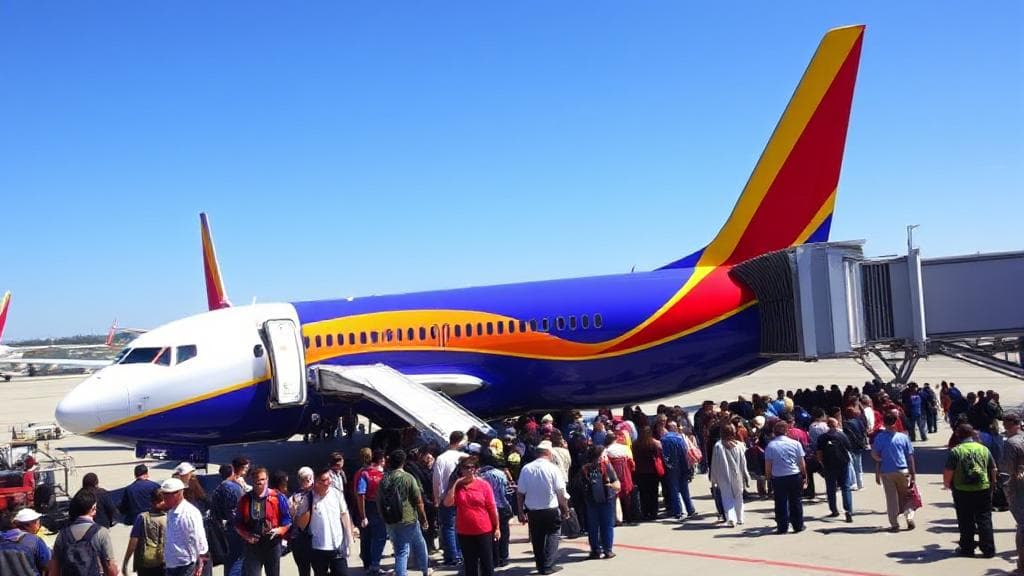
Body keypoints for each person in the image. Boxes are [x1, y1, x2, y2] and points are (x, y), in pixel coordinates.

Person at [516, 440, 570, 575]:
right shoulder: (552, 468)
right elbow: (560, 492)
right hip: (550, 508)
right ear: (548, 453)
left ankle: (540, 565)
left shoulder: (526, 468)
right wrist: (565, 509)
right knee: (553, 534)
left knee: (537, 538)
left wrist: (520, 511)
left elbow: (520, 493)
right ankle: (548, 565)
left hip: (533, 510)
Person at [944, 423, 997, 558]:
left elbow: (949, 471)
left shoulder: (956, 451)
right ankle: (988, 549)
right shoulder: (983, 449)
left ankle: (967, 548)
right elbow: (993, 468)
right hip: (982, 488)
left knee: (965, 519)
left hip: (962, 489)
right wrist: (993, 484)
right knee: (984, 518)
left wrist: (947, 484)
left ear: (958, 435)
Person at [444, 457, 499, 576]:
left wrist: (497, 527)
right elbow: (447, 503)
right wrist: (456, 483)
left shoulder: (484, 485)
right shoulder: (457, 487)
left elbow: (492, 508)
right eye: (466, 468)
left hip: (483, 530)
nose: (469, 470)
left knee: (487, 565)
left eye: (472, 467)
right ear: (461, 470)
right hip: (465, 532)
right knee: (470, 566)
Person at [379, 450, 429, 576]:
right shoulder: (408, 478)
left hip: (390, 519)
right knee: (405, 549)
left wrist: (383, 517)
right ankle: (423, 569)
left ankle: (425, 568)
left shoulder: (384, 479)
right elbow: (419, 501)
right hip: (408, 518)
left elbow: (378, 500)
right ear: (403, 462)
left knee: (408, 545)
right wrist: (424, 519)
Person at [48, 489, 119, 576]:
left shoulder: (62, 535)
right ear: (93, 509)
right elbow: (110, 567)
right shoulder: (101, 533)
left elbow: (54, 570)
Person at [235, 467, 292, 576]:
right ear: (252, 480)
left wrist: (280, 530)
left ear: (267, 480)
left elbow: (287, 519)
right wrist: (246, 536)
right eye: (257, 479)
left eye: (262, 479)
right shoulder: (245, 499)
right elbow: (238, 523)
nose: (259, 482)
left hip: (272, 545)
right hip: (253, 547)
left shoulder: (278, 497)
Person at [871, 411, 917, 532]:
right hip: (902, 470)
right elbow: (910, 456)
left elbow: (875, 455)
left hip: (887, 471)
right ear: (896, 422)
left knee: (891, 498)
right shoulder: (903, 437)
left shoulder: (879, 438)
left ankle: (894, 524)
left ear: (883, 423)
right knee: (906, 496)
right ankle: (909, 517)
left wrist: (878, 470)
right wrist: (913, 473)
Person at [306, 467, 353, 576]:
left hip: (337, 545)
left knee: (342, 573)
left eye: (329, 478)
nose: (329, 482)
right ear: (317, 482)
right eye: (325, 480)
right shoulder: (309, 497)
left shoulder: (336, 493)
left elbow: (344, 514)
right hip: (318, 547)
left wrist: (349, 539)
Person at [764, 421, 807, 535]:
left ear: (774, 432)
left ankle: (782, 527)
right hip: (794, 475)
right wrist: (804, 475)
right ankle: (798, 525)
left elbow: (768, 464)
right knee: (796, 500)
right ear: (787, 431)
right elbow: (801, 462)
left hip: (778, 477)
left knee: (780, 502)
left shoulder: (771, 446)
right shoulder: (795, 443)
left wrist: (768, 478)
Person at [432, 431, 467, 568]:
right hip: (463, 496)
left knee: (448, 527)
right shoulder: (464, 457)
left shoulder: (441, 458)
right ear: (459, 442)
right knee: (460, 526)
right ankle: (459, 553)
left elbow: (437, 480)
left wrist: (437, 497)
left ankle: (452, 556)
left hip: (446, 496)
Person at [162, 477, 209, 576]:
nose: (164, 498)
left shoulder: (189, 513)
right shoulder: (171, 512)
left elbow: (198, 538)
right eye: (164, 494)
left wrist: (200, 562)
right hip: (171, 564)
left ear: (178, 493)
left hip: (186, 564)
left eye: (167, 495)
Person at [212, 457, 250, 576]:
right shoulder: (234, 489)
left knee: (230, 560)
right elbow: (238, 512)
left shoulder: (220, 488)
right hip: (236, 530)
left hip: (223, 528)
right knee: (237, 560)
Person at [476, 448, 512, 568]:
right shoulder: (500, 474)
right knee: (504, 532)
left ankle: (494, 558)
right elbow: (505, 493)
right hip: (501, 506)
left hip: (486, 509)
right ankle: (504, 556)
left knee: (490, 534)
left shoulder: (479, 475)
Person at [581, 445, 619, 559]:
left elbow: (583, 484)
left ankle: (595, 550)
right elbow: (616, 482)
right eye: (604, 454)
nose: (605, 456)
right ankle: (607, 550)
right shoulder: (606, 466)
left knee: (593, 526)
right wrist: (611, 485)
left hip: (591, 500)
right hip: (606, 499)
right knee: (607, 525)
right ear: (599, 455)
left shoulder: (585, 468)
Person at [709, 424, 749, 527]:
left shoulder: (718, 446)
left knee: (727, 496)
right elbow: (744, 463)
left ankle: (731, 518)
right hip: (738, 475)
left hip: (723, 475)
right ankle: (739, 518)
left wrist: (713, 477)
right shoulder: (740, 445)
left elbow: (714, 463)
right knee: (738, 496)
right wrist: (746, 475)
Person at [355, 450, 386, 576]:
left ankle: (367, 562)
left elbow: (360, 494)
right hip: (378, 507)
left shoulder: (364, 474)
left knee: (366, 536)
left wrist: (362, 515)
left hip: (367, 506)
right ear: (381, 461)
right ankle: (375, 565)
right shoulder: (383, 474)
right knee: (379, 537)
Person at [122, 488, 166, 576]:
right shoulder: (169, 517)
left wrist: (126, 562)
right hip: (164, 562)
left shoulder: (142, 518)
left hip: (145, 563)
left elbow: (133, 542)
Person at [817, 418, 854, 522]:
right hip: (843, 464)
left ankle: (834, 510)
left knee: (831, 488)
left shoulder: (822, 438)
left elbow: (819, 454)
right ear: (836, 425)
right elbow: (849, 448)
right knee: (845, 488)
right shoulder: (842, 435)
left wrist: (822, 464)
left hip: (829, 465)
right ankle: (848, 511)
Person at [659, 421, 696, 520]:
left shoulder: (664, 440)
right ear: (674, 428)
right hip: (683, 465)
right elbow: (685, 453)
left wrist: (668, 466)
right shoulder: (680, 438)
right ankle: (690, 509)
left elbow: (664, 455)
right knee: (684, 489)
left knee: (674, 490)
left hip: (672, 468)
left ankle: (678, 511)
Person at [403, 450, 437, 554]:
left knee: (426, 526)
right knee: (425, 526)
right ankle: (426, 550)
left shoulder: (415, 468)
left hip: (423, 500)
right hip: (423, 500)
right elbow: (421, 485)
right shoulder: (414, 468)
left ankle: (428, 548)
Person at [1, 507, 51, 576]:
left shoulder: (2, 537)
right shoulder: (35, 541)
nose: (39, 524)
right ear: (29, 524)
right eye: (37, 521)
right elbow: (47, 566)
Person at [288, 467, 315, 576]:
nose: (307, 481)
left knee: (320, 568)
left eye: (309, 478)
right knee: (303, 569)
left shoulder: (319, 494)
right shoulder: (294, 498)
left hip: (317, 537)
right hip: (300, 538)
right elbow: (291, 518)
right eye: (304, 479)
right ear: (299, 480)